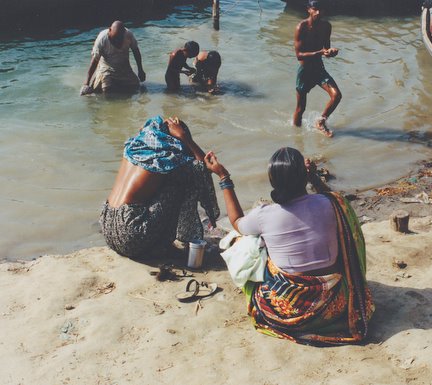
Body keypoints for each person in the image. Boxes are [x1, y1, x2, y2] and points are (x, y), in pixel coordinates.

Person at [204, 147, 375, 346]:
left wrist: (224, 177)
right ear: (304, 178)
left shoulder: (264, 214)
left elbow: (236, 222)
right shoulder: (331, 204)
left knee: (245, 241)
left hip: (291, 312)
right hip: (335, 305)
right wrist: (314, 178)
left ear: (273, 182)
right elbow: (336, 200)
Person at [100, 115, 219, 259]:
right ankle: (170, 242)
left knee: (169, 178)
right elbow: (203, 168)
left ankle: (161, 240)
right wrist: (186, 139)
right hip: (131, 236)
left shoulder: (133, 147)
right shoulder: (166, 157)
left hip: (108, 227)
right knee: (184, 177)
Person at [293, 0, 342, 138]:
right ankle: (297, 137)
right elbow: (299, 55)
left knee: (336, 95)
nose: (319, 12)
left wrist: (331, 52)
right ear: (309, 9)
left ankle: (320, 122)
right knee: (300, 108)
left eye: (321, 9)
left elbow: (325, 49)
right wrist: (319, 52)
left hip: (319, 69)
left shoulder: (327, 26)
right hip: (305, 71)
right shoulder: (301, 27)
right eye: (315, 9)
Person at [80, 21, 146, 95]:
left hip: (124, 67)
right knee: (107, 90)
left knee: (136, 87)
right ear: (109, 30)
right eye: (114, 39)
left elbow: (135, 51)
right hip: (106, 68)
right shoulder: (102, 38)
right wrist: (87, 82)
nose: (117, 42)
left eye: (119, 39)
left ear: (124, 34)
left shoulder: (128, 35)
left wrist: (140, 70)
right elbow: (95, 60)